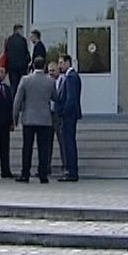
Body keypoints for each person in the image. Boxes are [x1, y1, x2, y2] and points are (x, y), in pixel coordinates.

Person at [12, 56, 56, 184]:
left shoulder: (25, 80)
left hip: (29, 118)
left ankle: (25, 173)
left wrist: (15, 117)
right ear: (44, 66)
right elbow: (55, 97)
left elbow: (17, 100)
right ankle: (43, 174)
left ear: (33, 66)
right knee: (44, 148)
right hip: (44, 119)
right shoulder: (50, 81)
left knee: (27, 147)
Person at [57, 54, 82, 182]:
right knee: (67, 142)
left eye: (61, 63)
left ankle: (71, 171)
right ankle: (70, 170)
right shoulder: (68, 77)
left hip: (69, 116)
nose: (59, 65)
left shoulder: (71, 77)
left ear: (68, 63)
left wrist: (63, 112)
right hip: (69, 115)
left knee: (69, 143)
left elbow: (71, 98)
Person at [46, 61, 66, 176]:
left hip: (58, 115)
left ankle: (65, 165)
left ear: (58, 70)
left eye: (53, 71)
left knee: (62, 141)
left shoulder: (64, 81)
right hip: (48, 114)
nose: (51, 73)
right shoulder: (46, 82)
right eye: (49, 71)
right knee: (47, 142)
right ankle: (46, 166)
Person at [5, 24, 30, 98]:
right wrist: (27, 62)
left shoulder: (8, 40)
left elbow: (6, 53)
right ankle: (21, 102)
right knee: (22, 87)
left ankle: (13, 102)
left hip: (12, 68)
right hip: (22, 68)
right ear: (18, 30)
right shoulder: (22, 40)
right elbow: (26, 54)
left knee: (13, 86)